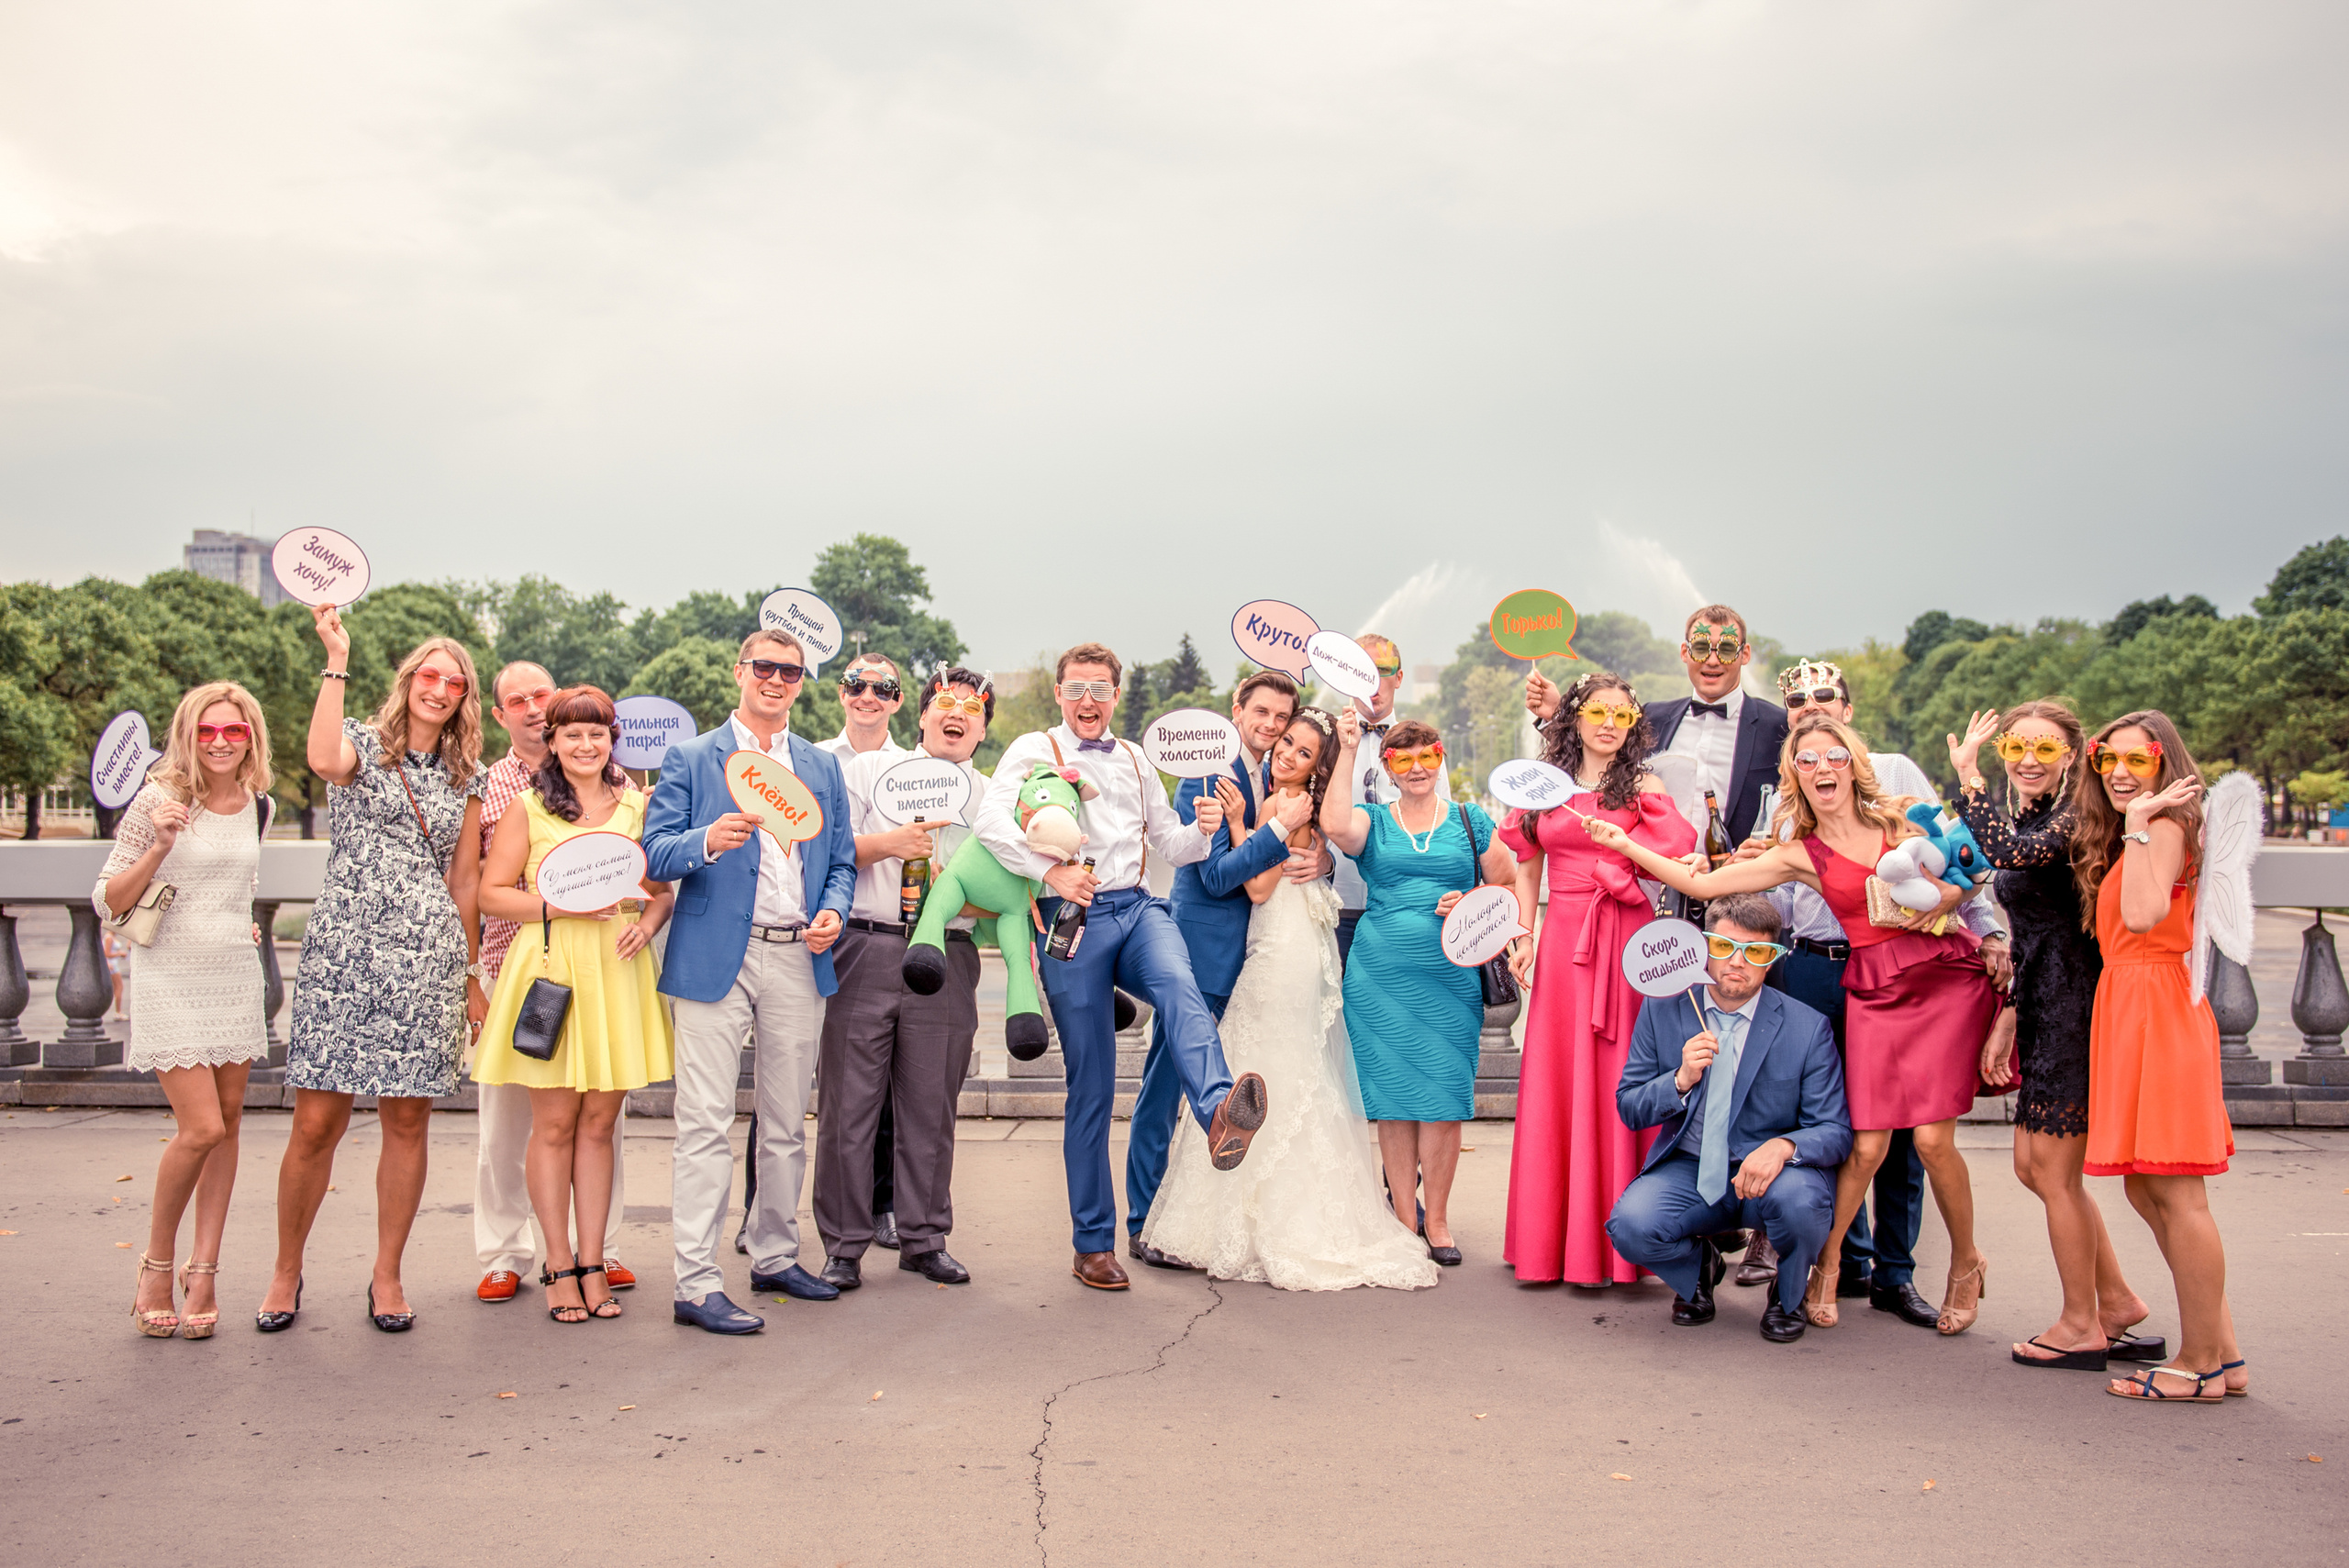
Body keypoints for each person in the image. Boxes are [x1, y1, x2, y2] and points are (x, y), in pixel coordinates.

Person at [1586, 712, 2001, 1334]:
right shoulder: (1798, 853)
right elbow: (1706, 881)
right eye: (1806, 761)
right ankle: (1828, 1260)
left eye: (1833, 755)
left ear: (1852, 762)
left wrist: (1948, 890)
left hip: (1939, 981)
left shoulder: (1903, 813)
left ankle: (1966, 1263)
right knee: (1865, 1144)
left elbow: (1976, 868)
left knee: (1933, 1142)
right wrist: (1624, 846)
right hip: (1875, 990)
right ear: (1795, 777)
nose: (1821, 768)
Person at [974, 641, 1265, 1292]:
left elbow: (1173, 843)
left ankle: (1221, 1109)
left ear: (1115, 696)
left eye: (1101, 691)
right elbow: (990, 823)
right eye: (1077, 688)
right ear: (1059, 694)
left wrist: (1206, 826)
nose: (1088, 702)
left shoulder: (1135, 757)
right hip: (1069, 919)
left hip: (1136, 908)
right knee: (1093, 1087)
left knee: (1180, 986)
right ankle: (1091, 1243)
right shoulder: (1031, 750)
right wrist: (1047, 870)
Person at [1747, 659, 2010, 1320]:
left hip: (1900, 967)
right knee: (1834, 1123)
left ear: (1849, 708)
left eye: (1826, 697)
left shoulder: (1893, 775)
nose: (1813, 707)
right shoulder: (1783, 790)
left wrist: (1990, 931)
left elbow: (1948, 863)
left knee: (1909, 1133)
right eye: (1800, 700)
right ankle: (1839, 1257)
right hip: (1810, 966)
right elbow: (1774, 898)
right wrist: (1737, 874)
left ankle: (1896, 1272)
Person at [1142, 708, 1440, 1291]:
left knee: (1269, 1062)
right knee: (1279, 1064)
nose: (1287, 754)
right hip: (1282, 938)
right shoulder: (1279, 797)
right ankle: (1262, 1208)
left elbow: (1255, 885)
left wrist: (1236, 824)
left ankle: (1267, 1217)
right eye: (1285, 742)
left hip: (1282, 947)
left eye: (1304, 752)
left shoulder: (1287, 804)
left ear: (1316, 767)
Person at [262, 610, 486, 1334]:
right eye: (429, 675)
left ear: (463, 697)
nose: (440, 688)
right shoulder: (361, 743)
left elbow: (464, 882)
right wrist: (336, 656)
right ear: (407, 680)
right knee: (317, 1121)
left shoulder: (467, 776)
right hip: (346, 952)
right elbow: (322, 759)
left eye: (454, 682)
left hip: (425, 958)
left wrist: (468, 970)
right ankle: (286, 1268)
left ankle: (387, 1273)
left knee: (409, 1119)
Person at [644, 629, 859, 1334]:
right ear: (740, 671)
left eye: (790, 671)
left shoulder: (820, 767)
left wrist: (833, 909)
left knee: (786, 1121)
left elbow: (842, 862)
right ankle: (696, 1282)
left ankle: (774, 1254)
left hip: (798, 953)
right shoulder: (691, 757)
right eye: (764, 667)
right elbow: (654, 851)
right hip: (714, 957)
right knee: (704, 1122)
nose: (776, 679)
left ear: (803, 682)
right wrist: (708, 839)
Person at [1946, 702, 2162, 1371]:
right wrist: (2010, 1011)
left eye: (2045, 747)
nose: (2029, 758)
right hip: (2042, 998)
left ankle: (2081, 1322)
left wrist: (1968, 777)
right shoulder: (2039, 814)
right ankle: (2118, 1300)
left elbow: (2010, 855)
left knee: (2055, 1172)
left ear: (2073, 754)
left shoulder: (2077, 815)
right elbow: (2031, 929)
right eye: (2017, 745)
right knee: (2033, 1167)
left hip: (2076, 1002)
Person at [472, 686, 675, 1324]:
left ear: (613, 738)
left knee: (598, 1126)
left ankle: (594, 1259)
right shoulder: (529, 809)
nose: (586, 745)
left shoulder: (637, 805)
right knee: (553, 1124)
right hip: (553, 969)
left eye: (598, 733)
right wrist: (557, 906)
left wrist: (650, 921)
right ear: (552, 741)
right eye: (572, 734)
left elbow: (660, 888)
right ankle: (557, 1262)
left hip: (616, 968)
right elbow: (490, 893)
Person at [1498, 671, 1697, 1286]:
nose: (1610, 723)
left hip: (1627, 934)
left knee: (1621, 1072)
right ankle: (1552, 1242)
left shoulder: (1642, 784)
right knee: (1559, 1072)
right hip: (1563, 939)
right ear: (1575, 719)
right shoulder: (1544, 787)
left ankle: (1626, 1243)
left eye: (1622, 715)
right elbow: (1526, 863)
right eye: (1598, 712)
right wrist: (1523, 932)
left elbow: (1679, 858)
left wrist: (1625, 852)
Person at [2073, 711, 2247, 1402]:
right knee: (2147, 1186)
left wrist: (2143, 823)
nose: (2118, 772)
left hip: (2160, 1007)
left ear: (2162, 764)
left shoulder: (2165, 826)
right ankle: (2222, 1352)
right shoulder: (2140, 828)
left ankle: (2200, 1361)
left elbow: (2145, 914)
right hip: (2133, 1005)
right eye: (2106, 760)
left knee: (2176, 1188)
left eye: (2135, 761)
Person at [97, 681, 275, 1339]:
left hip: (232, 969)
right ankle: (155, 1264)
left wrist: (245, 925)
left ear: (250, 735)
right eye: (208, 732)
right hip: (170, 974)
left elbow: (240, 886)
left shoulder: (257, 802)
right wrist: (158, 846)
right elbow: (108, 900)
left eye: (234, 730)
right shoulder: (158, 798)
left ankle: (205, 1270)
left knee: (228, 1124)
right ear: (188, 735)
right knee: (200, 1128)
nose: (222, 742)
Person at [1126, 669, 1316, 1268]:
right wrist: (1278, 833)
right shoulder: (1205, 776)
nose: (1270, 726)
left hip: (1256, 959)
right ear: (1237, 709)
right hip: (1201, 954)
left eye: (1281, 718)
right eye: (1260, 712)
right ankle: (1141, 1220)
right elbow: (1212, 874)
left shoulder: (1274, 776)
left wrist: (1313, 850)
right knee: (1163, 1085)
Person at [812, 667, 994, 1290]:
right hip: (869, 945)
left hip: (948, 953)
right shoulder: (866, 773)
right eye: (945, 701)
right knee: (848, 1105)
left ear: (983, 729)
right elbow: (827, 851)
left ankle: (923, 1237)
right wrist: (889, 842)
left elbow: (1007, 893)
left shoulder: (993, 797)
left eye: (972, 709)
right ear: (920, 717)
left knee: (931, 1106)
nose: (957, 714)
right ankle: (843, 1244)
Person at [1605, 895, 1851, 1342]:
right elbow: (1629, 1106)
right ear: (1704, 948)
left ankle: (1788, 1294)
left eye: (1755, 952)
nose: (1737, 963)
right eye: (1723, 947)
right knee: (1631, 1226)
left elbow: (1835, 1131)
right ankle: (1700, 1269)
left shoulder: (1807, 1026)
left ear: (1774, 956)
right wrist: (1679, 1079)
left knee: (1803, 1206)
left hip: (1773, 1176)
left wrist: (1783, 1148)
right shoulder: (1663, 1011)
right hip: (1691, 1169)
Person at [1319, 712, 1516, 1265]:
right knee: (1393, 1103)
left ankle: (1441, 1220)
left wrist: (1471, 901)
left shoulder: (1470, 820)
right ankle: (1405, 1218)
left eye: (1426, 756)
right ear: (1388, 768)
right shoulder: (1374, 822)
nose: (1417, 768)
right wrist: (1348, 747)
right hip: (1380, 976)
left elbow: (1504, 879)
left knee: (1443, 1101)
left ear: (1440, 757)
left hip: (1450, 976)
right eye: (1403, 759)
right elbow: (1334, 826)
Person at [1527, 604, 1788, 846]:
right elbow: (1598, 754)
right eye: (1701, 648)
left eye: (1727, 650)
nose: (1712, 660)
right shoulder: (1652, 717)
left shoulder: (1777, 725)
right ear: (1685, 653)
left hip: (1742, 882)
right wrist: (1556, 714)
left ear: (1745, 654)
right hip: (1658, 881)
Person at [803, 650, 908, 1251]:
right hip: (829, 931)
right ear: (840, 692)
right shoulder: (812, 761)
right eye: (856, 684)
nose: (868, 694)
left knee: (888, 1089)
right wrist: (886, 842)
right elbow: (819, 848)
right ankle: (755, 1210)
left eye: (882, 687)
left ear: (898, 699)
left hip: (891, 931)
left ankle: (884, 1206)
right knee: (800, 1080)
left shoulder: (919, 765)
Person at [1332, 633, 1405, 968]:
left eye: (1382, 670)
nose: (1372, 681)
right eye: (1362, 670)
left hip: (1399, 904)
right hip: (1335, 902)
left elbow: (1441, 816)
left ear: (1399, 678)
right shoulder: (1325, 739)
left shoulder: (1421, 744)